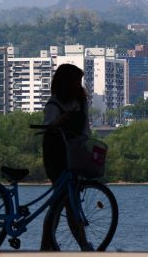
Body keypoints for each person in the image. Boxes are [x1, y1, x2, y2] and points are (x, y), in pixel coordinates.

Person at [40, 63, 93, 251]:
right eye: (77, 81)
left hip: (75, 155)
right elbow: (48, 127)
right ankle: (81, 245)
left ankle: (48, 244)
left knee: (68, 201)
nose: (80, 85)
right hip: (57, 155)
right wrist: (58, 122)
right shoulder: (54, 104)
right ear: (68, 83)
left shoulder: (80, 103)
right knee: (64, 201)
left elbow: (86, 129)